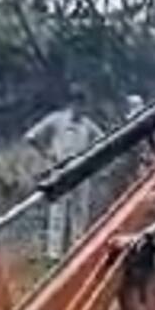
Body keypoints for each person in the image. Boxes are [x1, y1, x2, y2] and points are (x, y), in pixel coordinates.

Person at [24, 87, 108, 258]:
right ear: (71, 103)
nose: (81, 108)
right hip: (60, 170)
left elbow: (103, 141)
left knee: (79, 213)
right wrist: (48, 153)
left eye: (83, 105)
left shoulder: (87, 125)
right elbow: (31, 137)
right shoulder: (57, 120)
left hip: (80, 172)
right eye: (78, 104)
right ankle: (53, 255)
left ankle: (77, 252)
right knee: (57, 213)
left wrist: (91, 160)